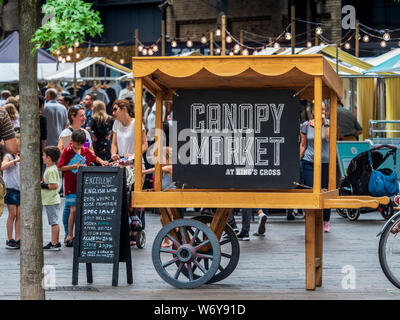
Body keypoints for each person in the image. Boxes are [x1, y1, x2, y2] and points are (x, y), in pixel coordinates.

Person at [58, 129, 108, 247]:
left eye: (81, 144)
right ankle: (69, 234)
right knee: (73, 209)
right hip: (71, 185)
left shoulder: (85, 150)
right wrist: (73, 166)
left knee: (81, 210)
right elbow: (60, 167)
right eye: (77, 144)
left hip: (83, 184)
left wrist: (102, 162)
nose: (78, 146)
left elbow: (94, 157)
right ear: (72, 141)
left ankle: (80, 234)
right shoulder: (67, 151)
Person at [300, 101, 331, 232]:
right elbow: (303, 144)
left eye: (323, 109)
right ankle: (311, 219)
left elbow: (329, 139)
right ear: (312, 111)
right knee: (310, 191)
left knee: (324, 191)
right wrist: (298, 159)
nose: (321, 111)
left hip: (324, 163)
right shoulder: (306, 125)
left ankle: (326, 220)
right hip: (309, 161)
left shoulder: (329, 123)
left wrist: (325, 123)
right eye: (318, 109)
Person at [142, 146, 177, 247]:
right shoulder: (166, 168)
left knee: (168, 218)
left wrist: (142, 172)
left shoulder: (170, 167)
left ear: (167, 158)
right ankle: (169, 239)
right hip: (167, 195)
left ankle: (173, 238)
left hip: (172, 196)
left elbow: (156, 169)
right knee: (164, 218)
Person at [2, 132, 20, 249]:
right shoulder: (9, 156)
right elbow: (3, 166)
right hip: (10, 188)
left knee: (19, 214)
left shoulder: (21, 156)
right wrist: (14, 161)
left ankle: (18, 238)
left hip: (20, 188)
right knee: (12, 214)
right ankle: (10, 238)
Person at [41, 146, 62, 251]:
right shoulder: (50, 168)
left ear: (49, 158)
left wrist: (43, 185)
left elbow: (54, 185)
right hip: (50, 200)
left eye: (44, 155)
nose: (42, 157)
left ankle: (54, 243)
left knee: (54, 222)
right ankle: (55, 241)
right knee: (53, 221)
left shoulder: (51, 170)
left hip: (51, 200)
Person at [39, 96, 48, 177]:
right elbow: (43, 136)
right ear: (42, 106)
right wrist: (42, 150)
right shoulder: (42, 119)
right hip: (38, 148)